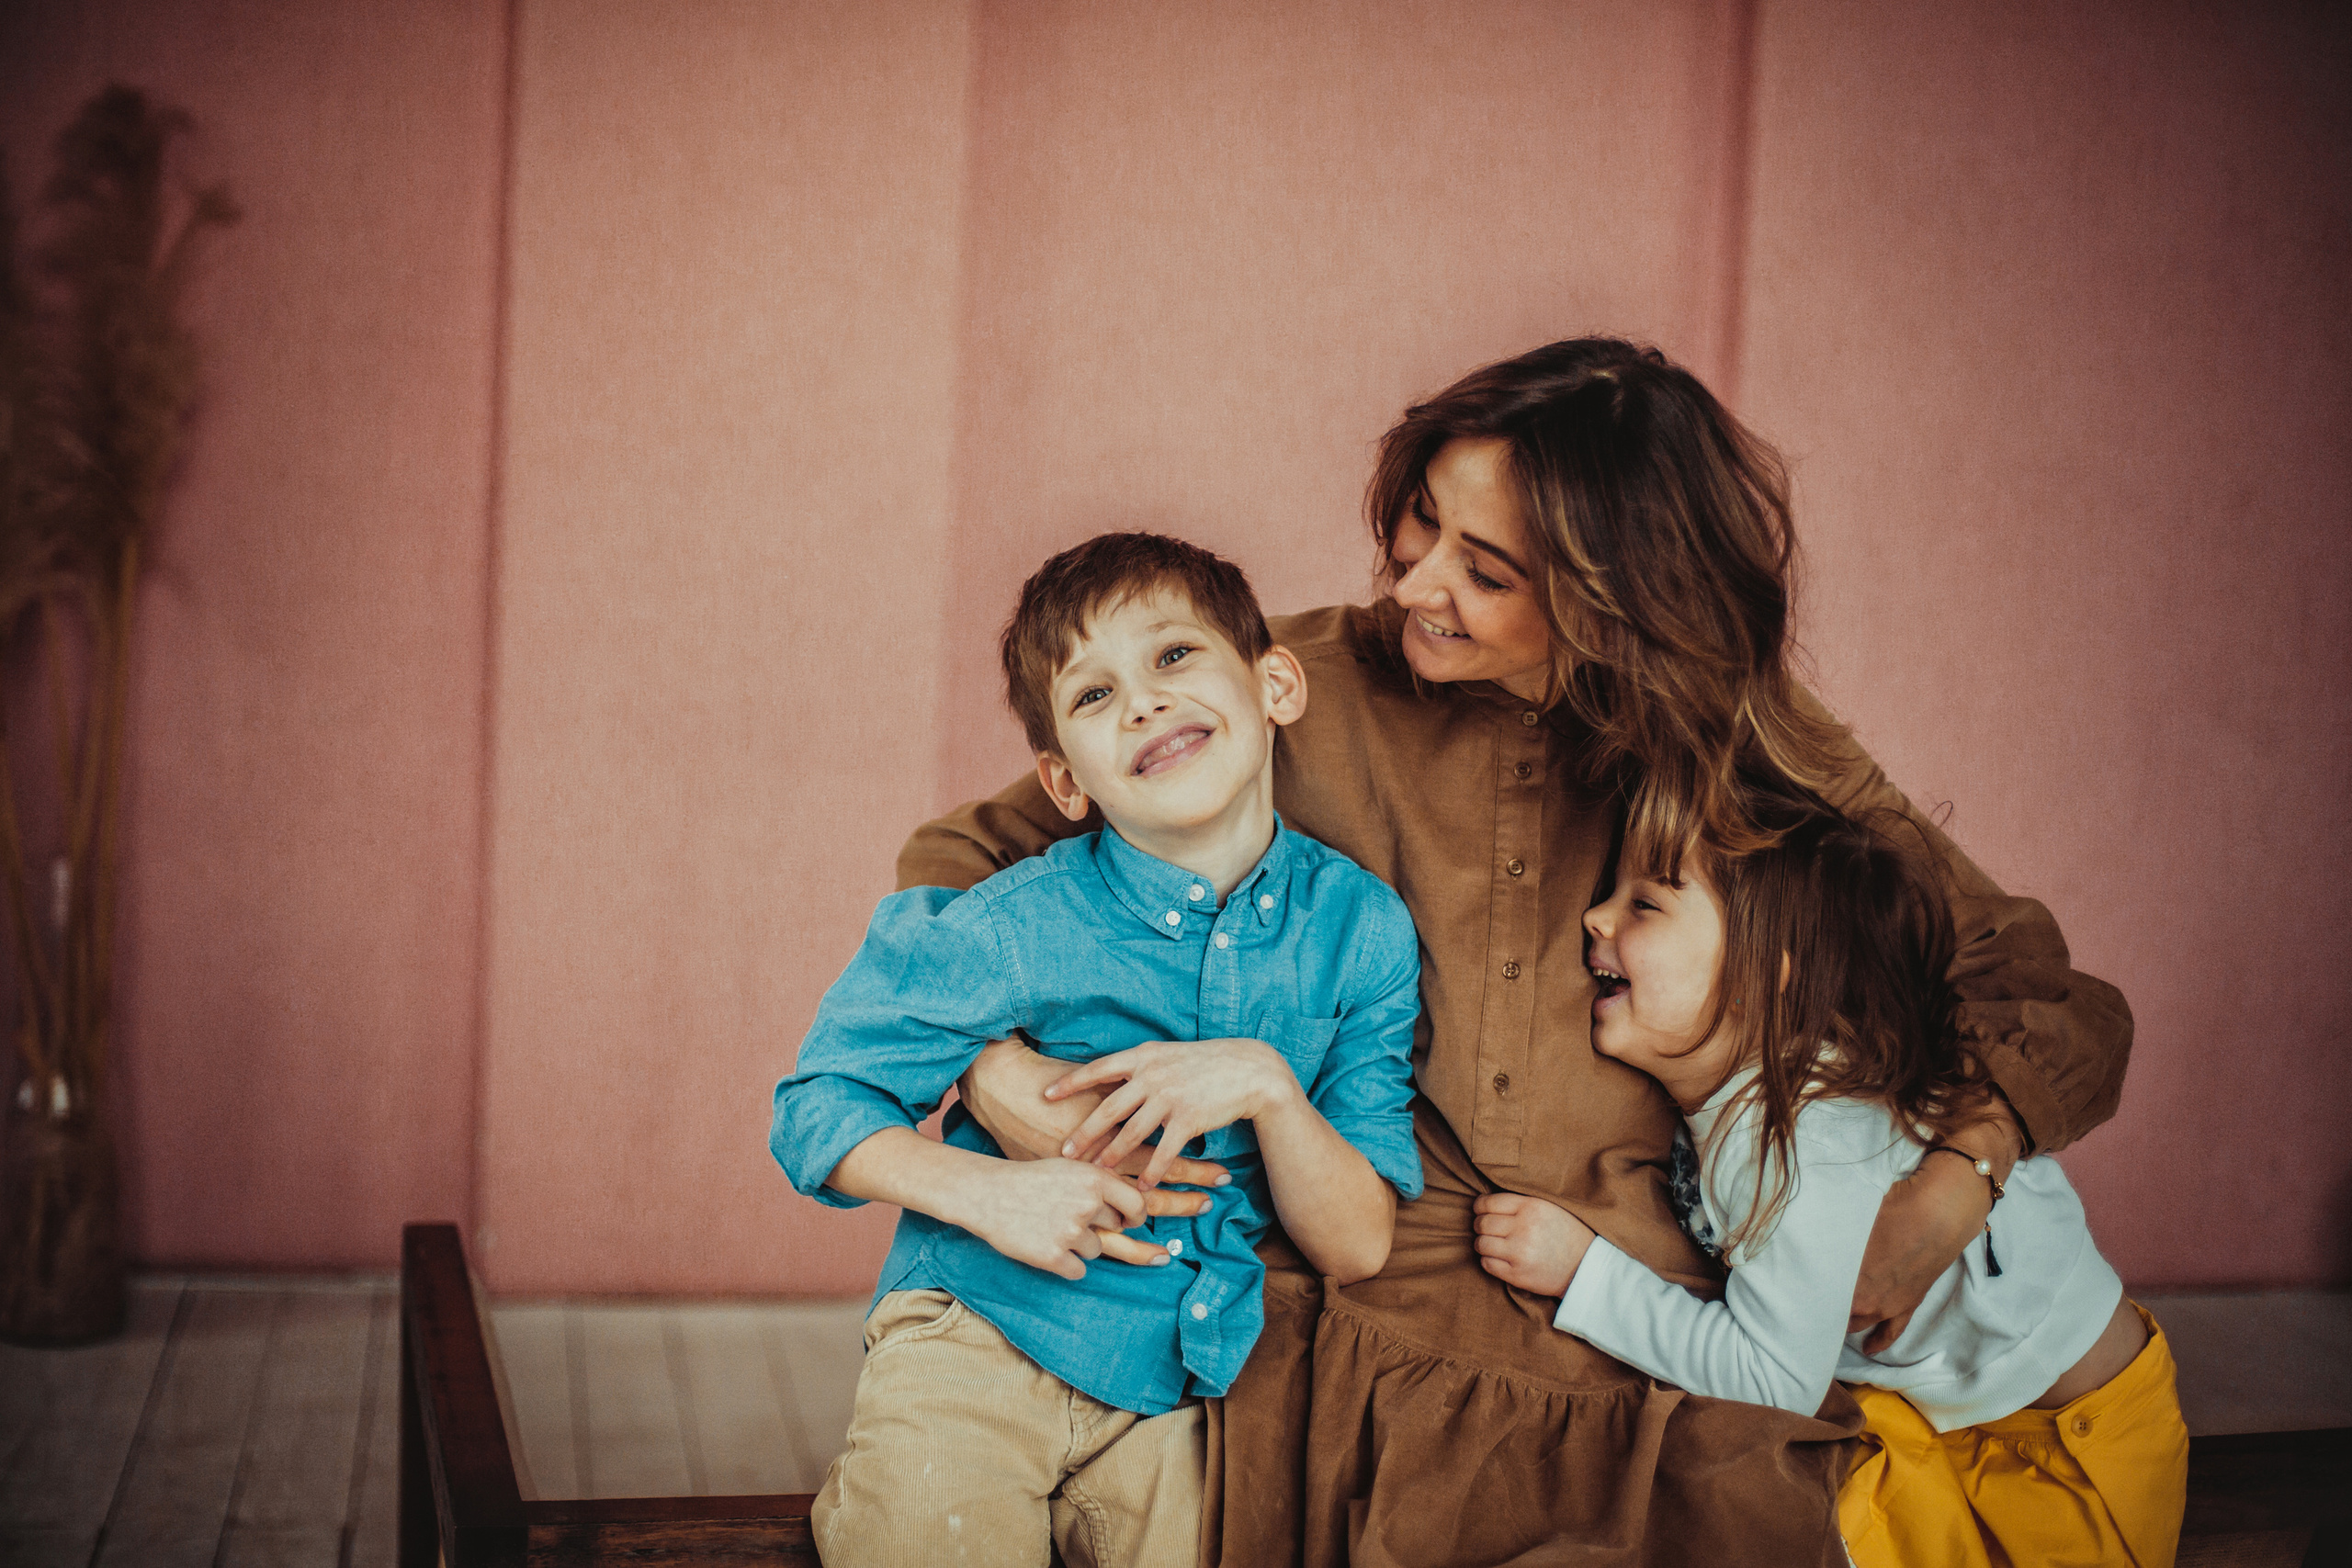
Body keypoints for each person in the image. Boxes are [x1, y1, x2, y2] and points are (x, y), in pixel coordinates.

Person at [908, 338, 2133, 1565]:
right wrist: (1002, 1073)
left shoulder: (1747, 749)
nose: (1417, 582)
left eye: (1485, 568)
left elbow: (2041, 990)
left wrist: (1951, 1184)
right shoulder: (1294, 686)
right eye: (1422, 521)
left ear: (1619, 599)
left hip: (1647, 1349)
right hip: (1354, 1315)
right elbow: (961, 859)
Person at [770, 532, 1426, 1568]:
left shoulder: (1362, 931)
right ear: (1064, 781)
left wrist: (1267, 1088)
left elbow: (1357, 1244)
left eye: (1173, 657)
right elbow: (818, 1103)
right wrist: (988, 1195)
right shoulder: (1011, 926)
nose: (1143, 704)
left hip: (1183, 1384)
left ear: (1276, 685)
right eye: (1092, 696)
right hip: (981, 1334)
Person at [1474, 795, 2187, 1568]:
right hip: (1954, 1407)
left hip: (2066, 1457)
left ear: (1763, 972)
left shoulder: (1795, 1131)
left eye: (1643, 902)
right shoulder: (1755, 1097)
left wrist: (1588, 1275)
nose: (1595, 918)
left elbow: (1774, 1378)